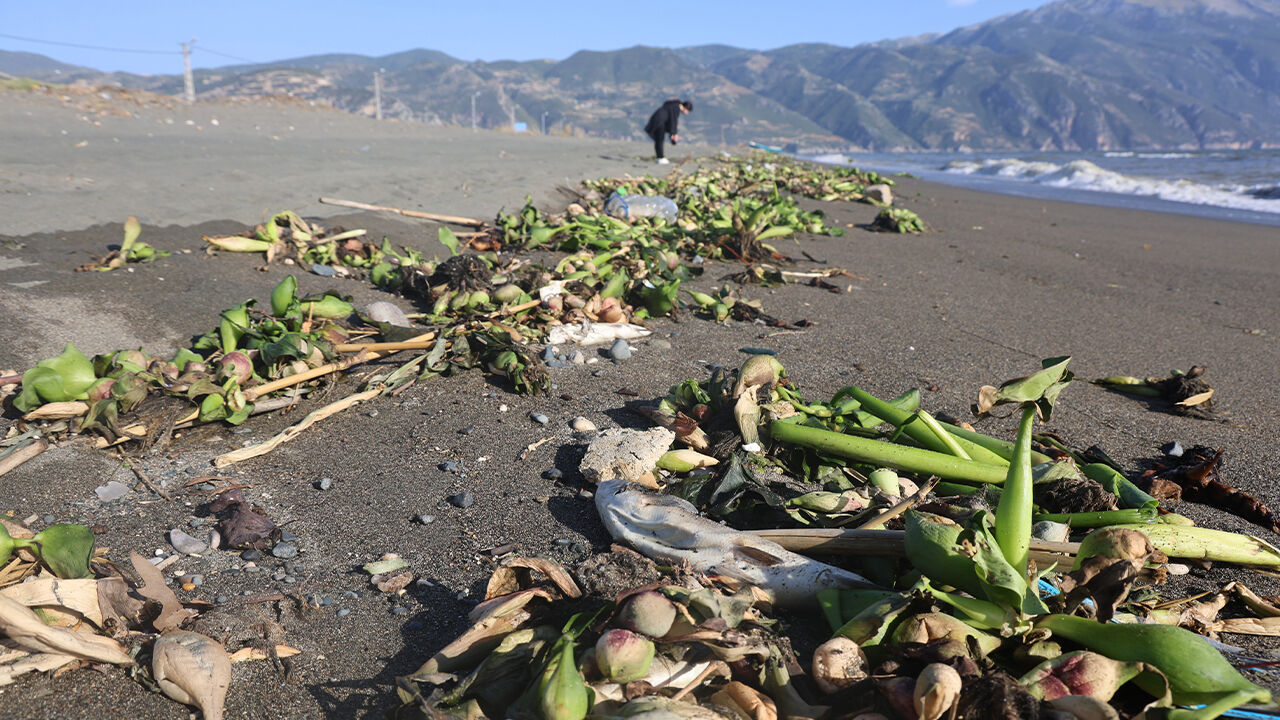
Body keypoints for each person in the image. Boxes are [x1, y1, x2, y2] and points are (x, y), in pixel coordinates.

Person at [644, 99, 692, 164]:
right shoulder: (676, 107)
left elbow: (671, 121)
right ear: (686, 108)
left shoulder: (673, 105)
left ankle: (659, 157)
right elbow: (673, 121)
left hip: (658, 121)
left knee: (659, 140)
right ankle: (660, 158)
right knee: (660, 140)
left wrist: (672, 133)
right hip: (660, 122)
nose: (687, 113)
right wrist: (674, 133)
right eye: (688, 112)